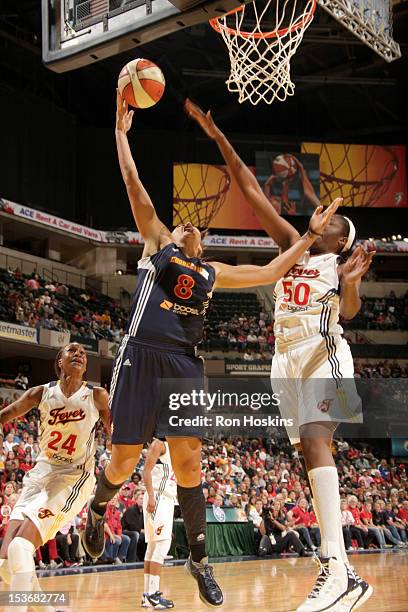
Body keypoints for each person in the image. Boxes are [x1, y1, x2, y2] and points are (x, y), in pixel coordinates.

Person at [83, 91, 339, 608]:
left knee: (190, 463)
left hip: (182, 365)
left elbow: (269, 272)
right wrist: (119, 133)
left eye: (196, 227)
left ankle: (200, 560)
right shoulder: (158, 244)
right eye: (184, 225)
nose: (190, 226)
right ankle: (95, 509)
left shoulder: (213, 272)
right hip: (139, 354)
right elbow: (135, 186)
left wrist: (308, 238)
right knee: (123, 460)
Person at [186, 98, 375, 612]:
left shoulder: (338, 267)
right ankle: (344, 574)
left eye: (337, 221)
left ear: (342, 240)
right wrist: (217, 135)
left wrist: (353, 283)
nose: (326, 219)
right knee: (306, 455)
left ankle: (336, 568)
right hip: (282, 359)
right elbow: (251, 191)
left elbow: (351, 312)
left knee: (316, 442)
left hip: (323, 351)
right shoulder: (295, 244)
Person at [0, 343, 110, 612]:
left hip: (73, 477)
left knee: (20, 549)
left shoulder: (96, 396)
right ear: (59, 361)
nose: (79, 354)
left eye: (83, 353)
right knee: (4, 563)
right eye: (72, 350)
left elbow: (118, 433)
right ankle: (50, 610)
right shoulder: (42, 393)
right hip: (41, 473)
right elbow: (6, 415)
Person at [141, 439, 177, 609]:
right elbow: (145, 471)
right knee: (162, 545)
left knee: (153, 547)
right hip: (157, 496)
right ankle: (153, 594)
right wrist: (151, 496)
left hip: (166, 499)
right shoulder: (159, 444)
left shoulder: (175, 448)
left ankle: (147, 595)